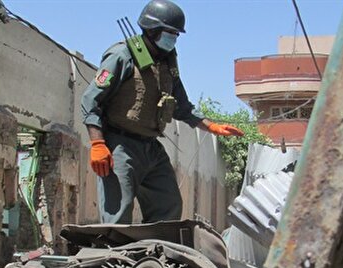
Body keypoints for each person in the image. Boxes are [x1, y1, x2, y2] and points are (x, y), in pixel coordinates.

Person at [81, 0, 244, 224]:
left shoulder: (167, 62)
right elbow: (91, 100)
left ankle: (155, 255)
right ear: (152, 29)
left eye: (176, 34)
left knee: (168, 205)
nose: (174, 38)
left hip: (151, 147)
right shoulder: (122, 55)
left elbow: (181, 105)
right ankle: (114, 257)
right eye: (170, 33)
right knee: (118, 213)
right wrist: (98, 144)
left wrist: (211, 126)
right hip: (120, 145)